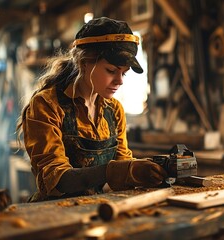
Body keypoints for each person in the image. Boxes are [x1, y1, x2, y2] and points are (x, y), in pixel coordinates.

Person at [16, 17, 168, 202]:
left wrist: (148, 171)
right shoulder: (46, 105)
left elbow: (122, 166)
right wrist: (117, 170)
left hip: (94, 205)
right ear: (84, 63)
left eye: (124, 73)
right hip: (53, 210)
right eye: (111, 71)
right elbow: (56, 180)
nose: (119, 81)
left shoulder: (114, 110)